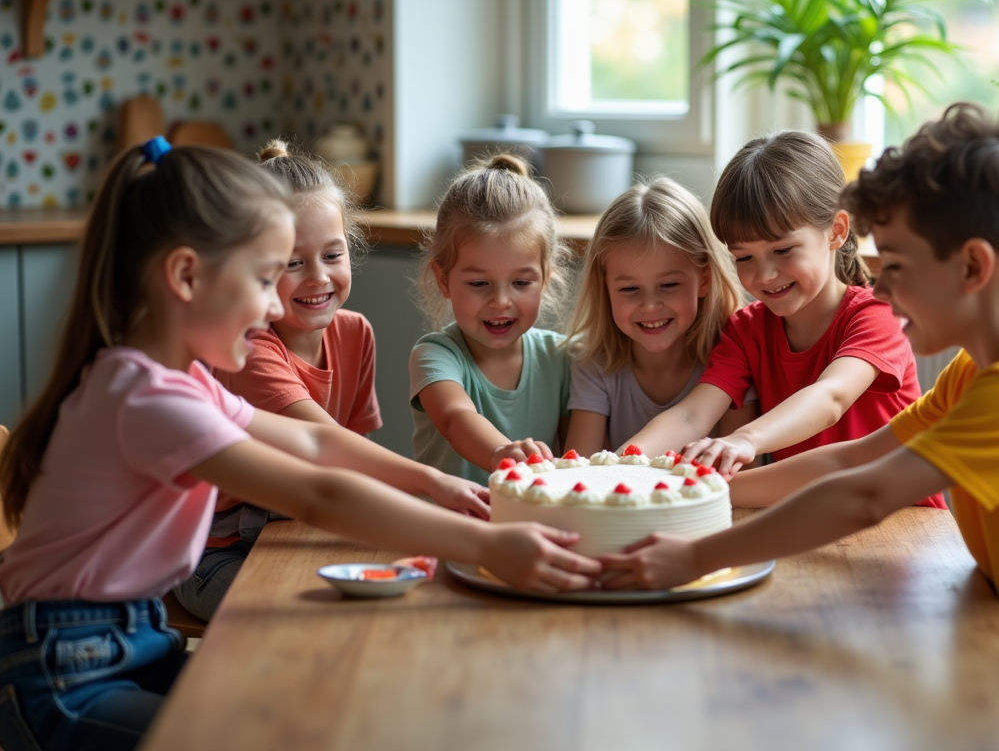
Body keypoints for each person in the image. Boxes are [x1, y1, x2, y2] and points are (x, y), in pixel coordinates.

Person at [602, 104, 999, 751]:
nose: (882, 290)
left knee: (939, 735)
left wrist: (693, 556)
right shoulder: (976, 374)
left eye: (897, 266)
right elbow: (847, 462)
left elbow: (864, 494)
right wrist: (690, 485)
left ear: (973, 268)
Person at [0, 139, 600, 751]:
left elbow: (315, 446)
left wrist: (435, 482)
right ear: (185, 276)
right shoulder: (147, 399)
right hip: (63, 673)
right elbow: (316, 491)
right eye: (265, 277)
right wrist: (487, 544)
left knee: (307, 711)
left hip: (131, 645)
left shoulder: (184, 382)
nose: (270, 305)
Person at [178, 140, 458, 622]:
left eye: (333, 254)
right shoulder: (250, 349)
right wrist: (432, 489)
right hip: (219, 552)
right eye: (292, 263)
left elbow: (354, 458)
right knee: (299, 623)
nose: (318, 278)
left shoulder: (356, 333)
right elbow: (321, 444)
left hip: (303, 527)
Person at [622, 131, 943, 510]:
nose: (765, 275)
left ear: (836, 231)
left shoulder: (877, 314)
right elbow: (692, 415)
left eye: (783, 250)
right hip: (809, 518)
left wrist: (746, 439)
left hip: (904, 523)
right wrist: (618, 466)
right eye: (744, 258)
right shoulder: (746, 329)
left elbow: (831, 397)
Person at [562, 177, 755, 456]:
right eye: (630, 289)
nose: (650, 305)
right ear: (604, 287)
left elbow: (743, 474)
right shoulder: (594, 364)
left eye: (669, 285)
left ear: (704, 279)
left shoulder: (734, 354)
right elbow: (576, 471)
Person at [410, 154, 571, 485]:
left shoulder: (564, 359)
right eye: (479, 283)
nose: (500, 301)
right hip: (446, 531)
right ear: (443, 280)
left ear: (547, 277)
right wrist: (501, 452)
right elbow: (457, 418)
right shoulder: (435, 355)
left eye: (521, 283)